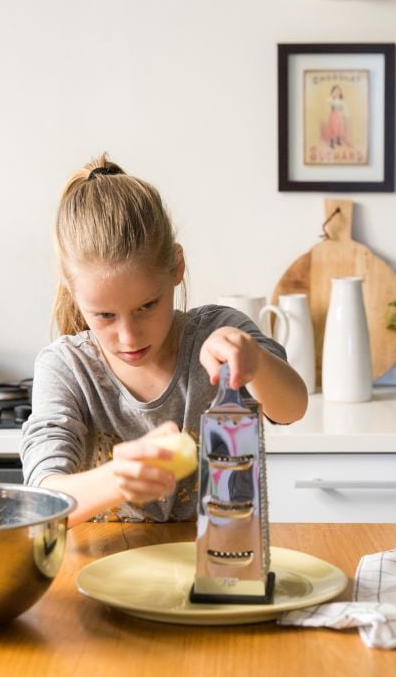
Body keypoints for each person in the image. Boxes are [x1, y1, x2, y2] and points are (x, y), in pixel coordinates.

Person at [20, 154, 308, 527]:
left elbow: (292, 407)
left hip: (215, 571)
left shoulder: (219, 332)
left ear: (176, 266)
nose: (128, 336)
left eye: (147, 306)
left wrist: (256, 362)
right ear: (71, 290)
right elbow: (42, 504)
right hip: (107, 575)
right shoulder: (66, 369)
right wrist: (116, 479)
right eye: (105, 315)